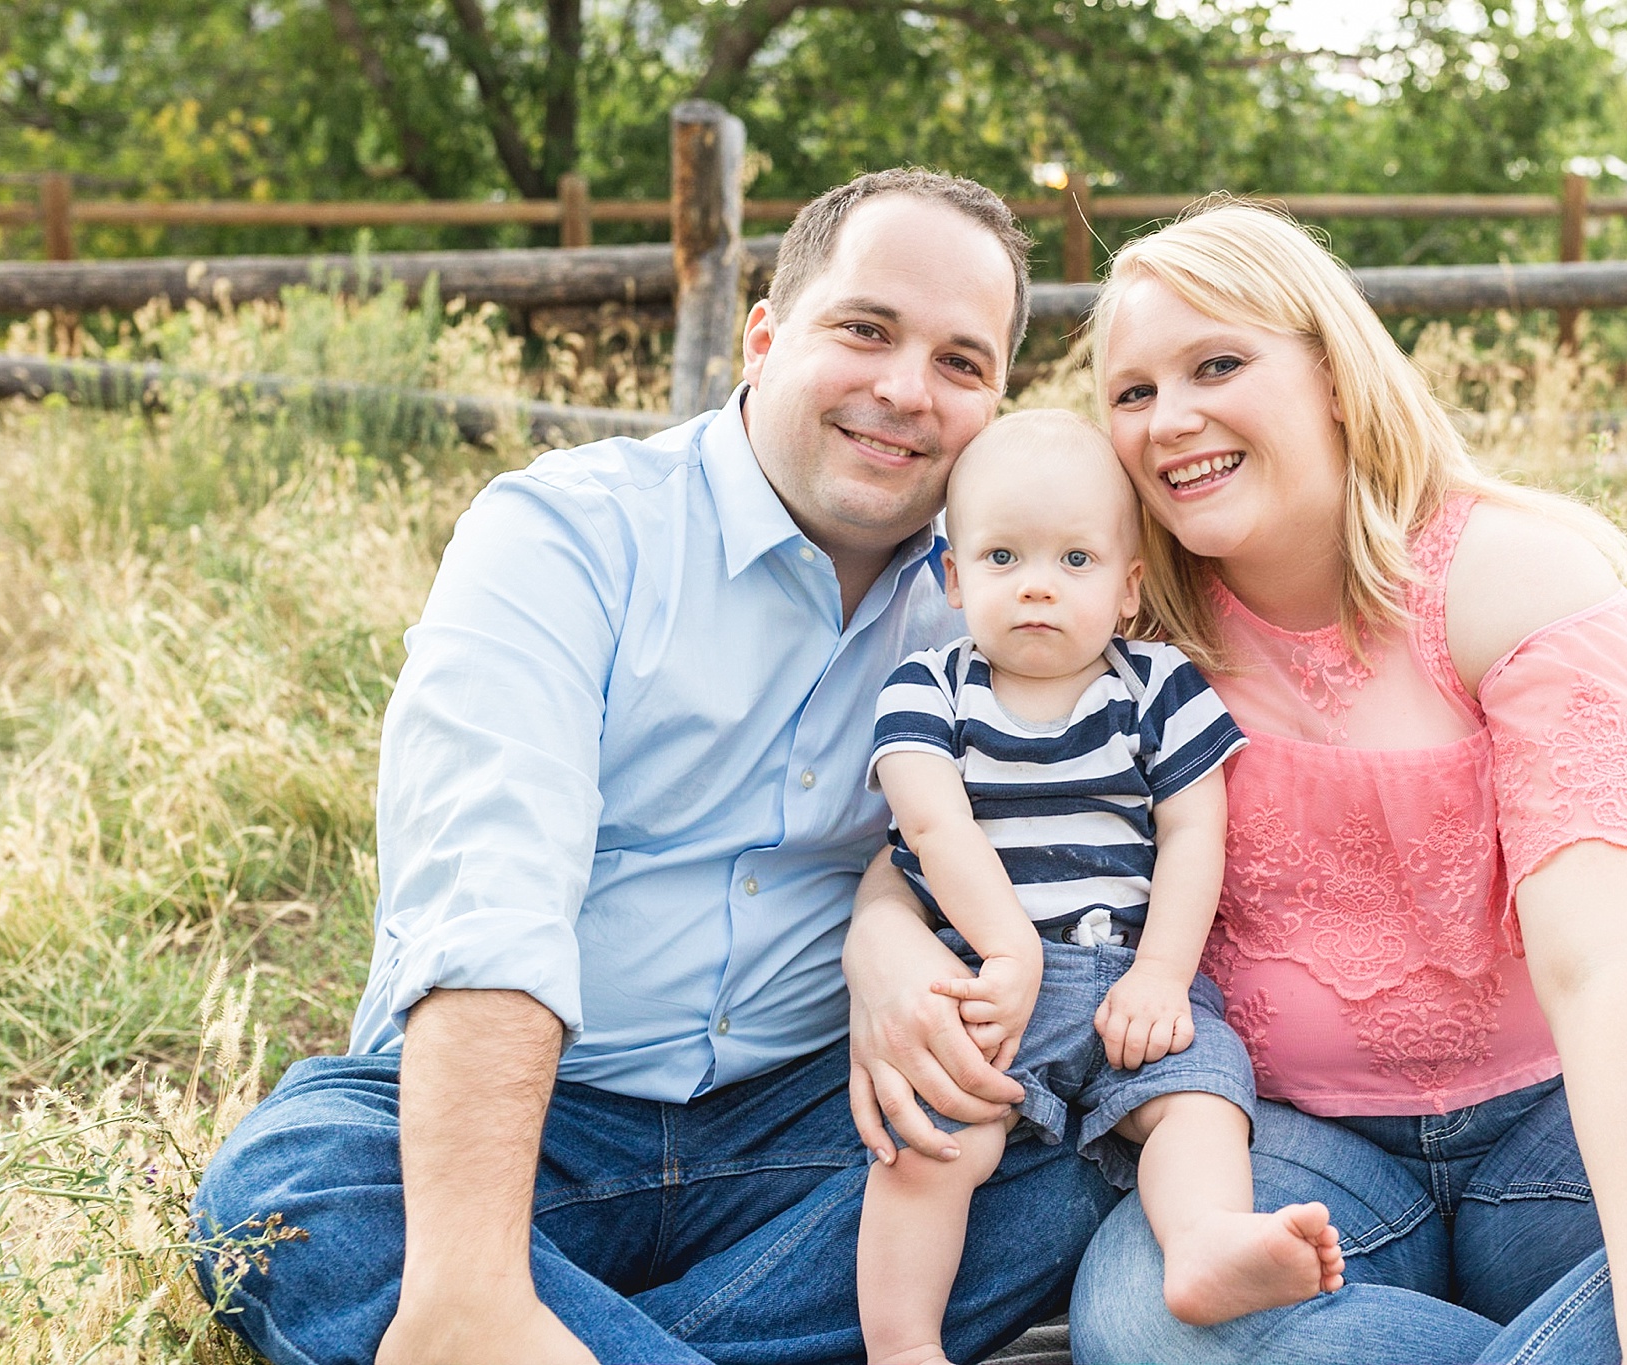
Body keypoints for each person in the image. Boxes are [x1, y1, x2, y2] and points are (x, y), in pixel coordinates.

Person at [847, 201, 1627, 1364]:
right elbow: (956, 818)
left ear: (1333, 375)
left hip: (1553, 1128)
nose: (1173, 419)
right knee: (1141, 1319)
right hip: (1302, 1149)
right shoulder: (1123, 624)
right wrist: (880, 950)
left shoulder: (1514, 585)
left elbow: (1606, 973)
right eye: (1133, 392)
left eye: (1218, 363)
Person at [188, 169, 1122, 1365]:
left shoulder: (995, 598)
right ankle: (498, 1312)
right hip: (540, 1124)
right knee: (291, 1198)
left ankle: (540, 1338)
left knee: (1072, 1154)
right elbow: (490, 890)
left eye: (960, 362)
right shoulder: (565, 535)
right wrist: (470, 1275)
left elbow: (1060, 835)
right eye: (866, 330)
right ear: (765, 334)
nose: (904, 390)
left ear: (994, 398)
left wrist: (885, 935)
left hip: (816, 1123)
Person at [855, 409, 1344, 1365]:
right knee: (936, 1143)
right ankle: (902, 1342)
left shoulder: (1156, 683)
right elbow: (930, 822)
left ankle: (1203, 1242)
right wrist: (1008, 949)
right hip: (985, 985)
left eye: (1075, 561)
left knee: (1199, 1101)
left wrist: (1164, 973)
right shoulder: (932, 688)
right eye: (1002, 557)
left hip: (1131, 980)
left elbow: (1197, 827)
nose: (1037, 583)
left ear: (1128, 589)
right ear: (953, 579)